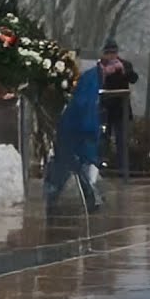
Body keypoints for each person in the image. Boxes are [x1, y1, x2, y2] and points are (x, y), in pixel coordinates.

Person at [45, 62, 105, 212]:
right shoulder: (91, 82)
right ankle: (89, 198)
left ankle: (55, 195)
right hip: (79, 132)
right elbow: (85, 109)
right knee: (77, 166)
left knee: (70, 166)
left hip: (74, 131)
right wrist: (90, 132)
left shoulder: (89, 80)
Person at [97, 38, 138, 165]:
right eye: (108, 53)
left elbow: (133, 79)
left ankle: (122, 167)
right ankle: (100, 165)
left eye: (113, 52)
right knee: (103, 138)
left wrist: (124, 71)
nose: (111, 55)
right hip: (105, 107)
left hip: (121, 108)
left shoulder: (125, 65)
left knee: (121, 140)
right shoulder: (100, 66)